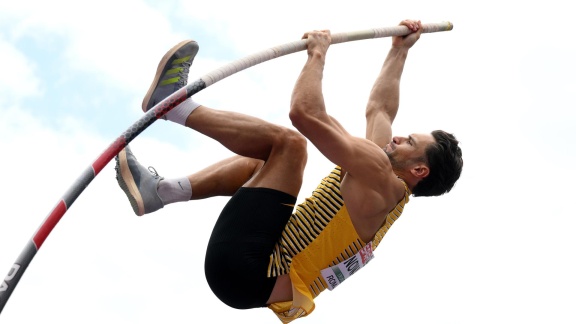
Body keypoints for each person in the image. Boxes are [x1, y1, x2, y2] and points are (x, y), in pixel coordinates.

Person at [115, 19, 463, 323]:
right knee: (265, 163)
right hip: (247, 279)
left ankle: (173, 104)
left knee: (291, 146)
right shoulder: (384, 182)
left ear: (418, 169)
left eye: (409, 142)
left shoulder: (381, 180)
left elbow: (304, 114)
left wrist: (317, 54)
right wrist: (399, 51)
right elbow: (380, 110)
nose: (398, 137)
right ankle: (160, 192)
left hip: (251, 270)